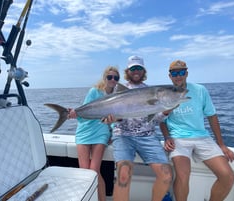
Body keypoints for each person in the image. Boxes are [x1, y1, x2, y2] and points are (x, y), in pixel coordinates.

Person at [160, 59, 234, 201]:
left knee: (228, 176)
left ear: (187, 73)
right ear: (169, 76)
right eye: (174, 73)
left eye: (181, 72)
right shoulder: (165, 93)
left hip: (202, 137)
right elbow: (162, 120)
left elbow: (212, 116)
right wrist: (167, 137)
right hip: (178, 138)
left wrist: (221, 144)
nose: (178, 76)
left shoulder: (200, 90)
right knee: (183, 175)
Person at [111, 55, 173, 201]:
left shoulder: (152, 91)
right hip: (123, 135)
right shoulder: (119, 90)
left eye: (139, 68)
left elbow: (154, 119)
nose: (136, 71)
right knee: (123, 174)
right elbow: (114, 117)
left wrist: (164, 112)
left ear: (143, 71)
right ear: (128, 71)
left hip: (147, 136)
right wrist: (113, 119)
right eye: (133, 68)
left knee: (166, 175)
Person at [68, 66, 120, 201]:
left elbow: (115, 118)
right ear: (105, 78)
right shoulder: (94, 91)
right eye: (110, 77)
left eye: (116, 78)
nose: (113, 80)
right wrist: (75, 114)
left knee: (94, 171)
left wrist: (112, 134)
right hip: (85, 130)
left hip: (101, 132)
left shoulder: (117, 96)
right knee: (84, 172)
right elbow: (84, 111)